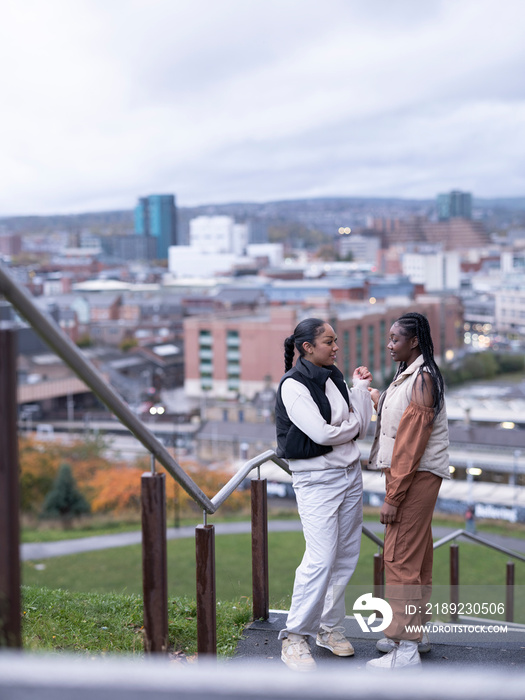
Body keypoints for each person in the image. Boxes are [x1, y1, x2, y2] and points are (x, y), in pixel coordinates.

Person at [275, 317, 373, 672]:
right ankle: (295, 636)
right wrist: (348, 428)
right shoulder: (293, 385)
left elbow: (358, 427)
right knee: (320, 558)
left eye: (335, 341)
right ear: (307, 348)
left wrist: (359, 392)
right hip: (317, 481)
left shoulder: (334, 377)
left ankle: (328, 628)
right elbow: (321, 433)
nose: (336, 347)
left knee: (346, 555)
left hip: (349, 475)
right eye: (329, 342)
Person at [366, 311, 450, 670]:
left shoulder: (422, 380)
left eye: (395, 339)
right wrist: (375, 397)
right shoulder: (413, 375)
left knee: (398, 558)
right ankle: (414, 632)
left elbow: (410, 444)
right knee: (416, 557)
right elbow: (400, 421)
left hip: (412, 478)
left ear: (413, 341)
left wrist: (392, 497)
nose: (389, 345)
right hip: (414, 477)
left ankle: (405, 649)